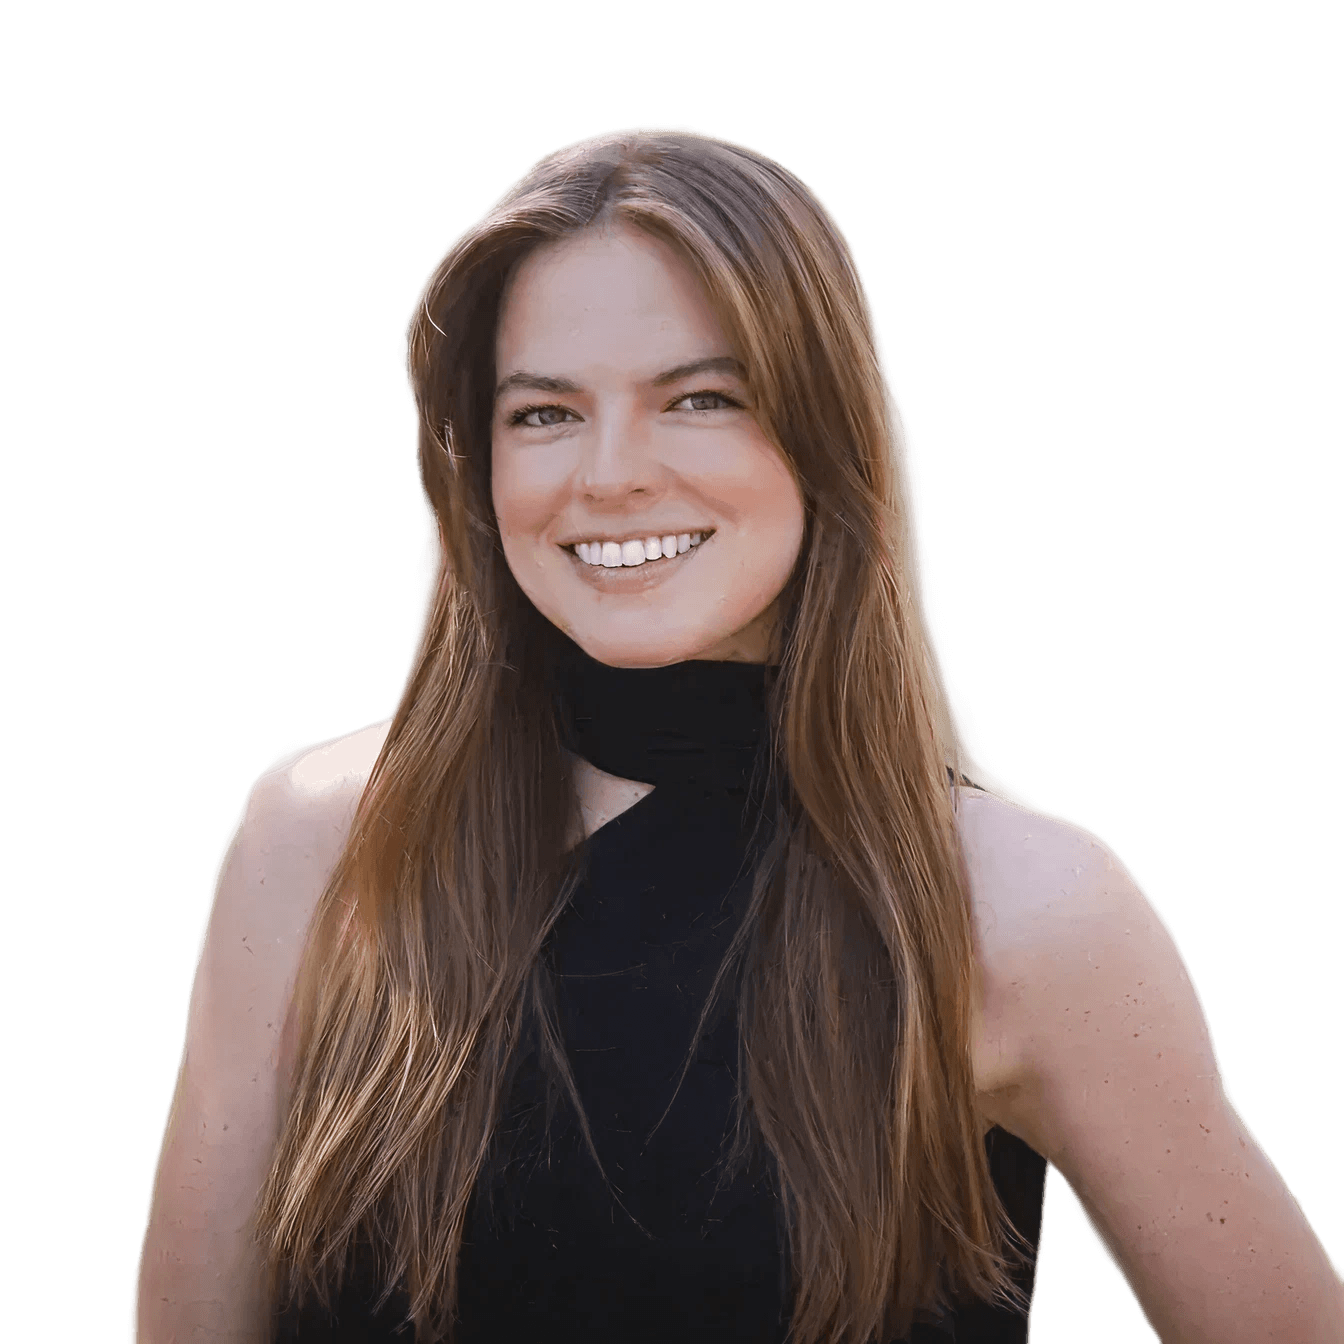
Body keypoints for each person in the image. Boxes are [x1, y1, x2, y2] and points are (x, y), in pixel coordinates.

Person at [129, 126, 1344, 1344]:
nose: (611, 473)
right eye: (544, 412)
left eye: (701, 399)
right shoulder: (315, 843)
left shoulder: (1021, 909)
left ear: (823, 435)